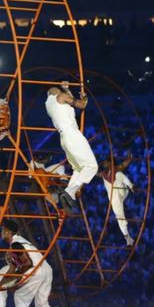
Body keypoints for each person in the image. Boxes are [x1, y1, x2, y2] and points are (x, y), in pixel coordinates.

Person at [0, 220, 61, 307]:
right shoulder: (20, 242)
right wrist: (0, 285)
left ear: (8, 232)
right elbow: (12, 270)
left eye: (2, 229)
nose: (1, 232)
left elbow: (27, 263)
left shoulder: (16, 244)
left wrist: (15, 282)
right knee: (41, 304)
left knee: (19, 295)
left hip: (36, 269)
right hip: (46, 269)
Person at [45, 81, 98, 210]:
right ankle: (69, 192)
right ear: (56, 91)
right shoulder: (61, 96)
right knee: (92, 166)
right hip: (72, 135)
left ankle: (70, 194)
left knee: (79, 169)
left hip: (64, 138)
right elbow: (81, 104)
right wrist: (84, 96)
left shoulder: (49, 104)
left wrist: (67, 89)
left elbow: (69, 103)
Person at [99, 154, 136, 246]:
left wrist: (129, 158)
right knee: (119, 216)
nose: (104, 164)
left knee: (119, 174)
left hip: (122, 190)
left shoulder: (115, 169)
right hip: (114, 197)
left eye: (106, 162)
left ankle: (131, 186)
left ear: (110, 162)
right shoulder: (104, 173)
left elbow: (123, 165)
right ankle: (127, 238)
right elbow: (95, 173)